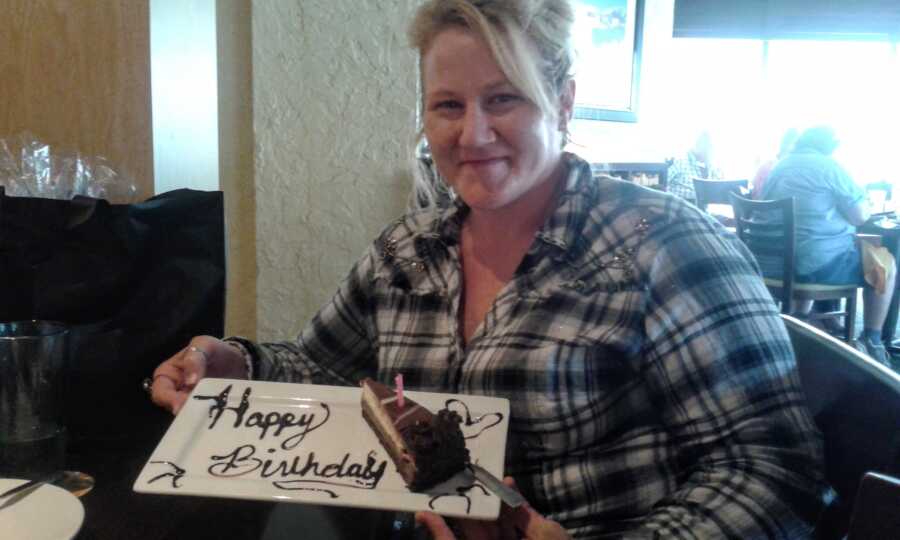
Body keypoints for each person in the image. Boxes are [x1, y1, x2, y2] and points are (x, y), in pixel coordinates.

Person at [150, 1, 827, 537]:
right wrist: (236, 363)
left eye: (503, 99)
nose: (471, 135)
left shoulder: (665, 247)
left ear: (562, 102)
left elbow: (772, 470)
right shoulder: (404, 251)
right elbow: (322, 369)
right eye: (448, 105)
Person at [761, 126, 896, 366]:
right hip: (813, 268)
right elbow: (860, 217)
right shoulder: (830, 167)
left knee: (812, 249)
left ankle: (800, 319)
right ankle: (872, 340)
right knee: (884, 262)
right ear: (830, 147)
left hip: (772, 266)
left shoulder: (778, 167)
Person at [666, 130, 721, 204]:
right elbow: (662, 183)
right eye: (709, 146)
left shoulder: (712, 169)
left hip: (702, 209)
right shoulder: (680, 162)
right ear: (700, 146)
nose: (711, 150)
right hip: (681, 207)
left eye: (712, 147)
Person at [751, 128, 799, 200]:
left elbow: (754, 185)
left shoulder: (767, 164)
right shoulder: (786, 169)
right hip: (769, 208)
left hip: (755, 207)